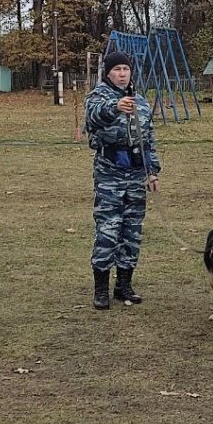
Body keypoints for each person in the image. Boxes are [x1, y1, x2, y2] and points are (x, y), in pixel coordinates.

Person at [84, 51, 161, 310]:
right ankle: (101, 289)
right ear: (107, 73)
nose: (122, 74)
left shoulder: (139, 101)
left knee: (132, 231)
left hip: (136, 174)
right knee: (108, 229)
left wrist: (152, 171)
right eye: (116, 69)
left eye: (125, 70)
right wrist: (114, 107)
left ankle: (124, 285)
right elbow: (93, 118)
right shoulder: (98, 97)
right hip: (110, 174)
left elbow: (148, 139)